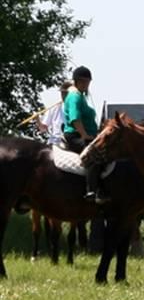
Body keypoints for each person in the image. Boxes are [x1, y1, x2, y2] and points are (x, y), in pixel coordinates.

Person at [62, 66, 110, 204]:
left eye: (88, 82)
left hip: (86, 134)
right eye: (83, 81)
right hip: (76, 135)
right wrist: (84, 135)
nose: (86, 84)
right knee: (95, 154)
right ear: (77, 81)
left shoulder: (81, 96)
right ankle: (92, 191)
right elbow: (75, 118)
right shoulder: (74, 97)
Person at [37, 79, 73, 145]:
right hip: (55, 142)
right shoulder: (53, 108)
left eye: (66, 93)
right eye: (62, 93)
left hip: (72, 143)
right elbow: (43, 128)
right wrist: (37, 119)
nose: (63, 95)